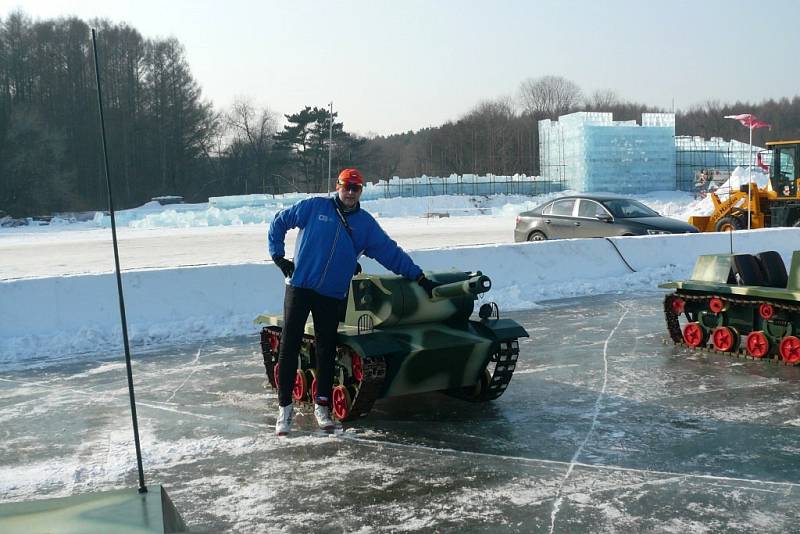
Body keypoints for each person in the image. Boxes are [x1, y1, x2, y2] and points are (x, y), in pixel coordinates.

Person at [268, 168, 438, 435]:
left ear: (361, 192)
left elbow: (390, 253)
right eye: (346, 186)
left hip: (332, 294)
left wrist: (419, 277)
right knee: (289, 345)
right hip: (300, 287)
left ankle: (322, 407)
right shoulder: (314, 207)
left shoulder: (365, 224)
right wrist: (278, 257)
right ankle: (285, 409)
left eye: (355, 188)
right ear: (338, 186)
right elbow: (279, 221)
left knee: (326, 350)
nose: (350, 192)